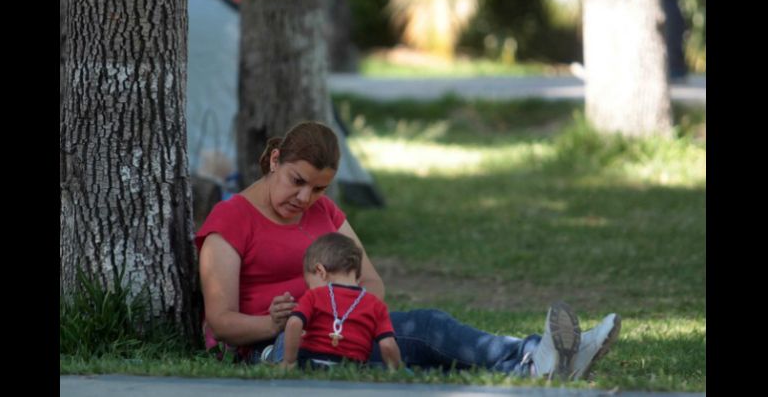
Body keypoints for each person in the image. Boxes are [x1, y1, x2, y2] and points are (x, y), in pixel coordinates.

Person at [195, 120, 621, 379]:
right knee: (404, 366)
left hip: (343, 327)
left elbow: (372, 280)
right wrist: (274, 322)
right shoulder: (231, 220)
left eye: (319, 187)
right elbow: (221, 323)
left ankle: (537, 356)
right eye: (297, 181)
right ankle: (541, 363)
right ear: (273, 161)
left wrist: (349, 307)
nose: (306, 198)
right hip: (276, 347)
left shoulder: (323, 211)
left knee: (428, 326)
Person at [280, 233, 401, 370]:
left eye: (309, 283)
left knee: (280, 342)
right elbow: (387, 345)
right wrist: (396, 371)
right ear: (357, 274)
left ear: (320, 271)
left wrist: (289, 362)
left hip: (310, 362)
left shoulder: (314, 295)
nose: (309, 288)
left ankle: (267, 356)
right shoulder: (376, 305)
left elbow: (295, 322)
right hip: (353, 368)